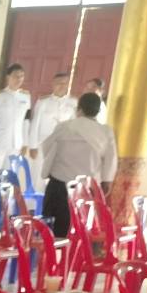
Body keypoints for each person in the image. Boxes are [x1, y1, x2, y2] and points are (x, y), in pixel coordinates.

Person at [39, 91, 117, 237]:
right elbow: (111, 159)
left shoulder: (64, 127)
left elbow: (46, 148)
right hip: (87, 188)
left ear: (78, 109)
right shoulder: (105, 131)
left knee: (56, 229)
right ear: (98, 111)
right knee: (82, 228)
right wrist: (107, 181)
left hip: (59, 185)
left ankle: (55, 250)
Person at [26, 70, 76, 169]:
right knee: (38, 173)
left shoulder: (73, 102)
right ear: (53, 84)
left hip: (62, 145)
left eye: (65, 83)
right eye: (59, 83)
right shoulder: (43, 102)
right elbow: (35, 124)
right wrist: (33, 146)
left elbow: (74, 126)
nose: (62, 86)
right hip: (43, 144)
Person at [0, 63, 29, 166]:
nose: (19, 79)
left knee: (11, 172)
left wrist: (25, 143)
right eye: (16, 76)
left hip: (16, 143)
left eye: (21, 76)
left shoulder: (25, 98)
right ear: (8, 77)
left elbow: (25, 122)